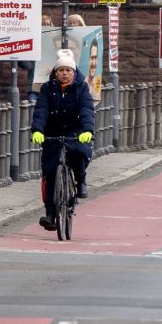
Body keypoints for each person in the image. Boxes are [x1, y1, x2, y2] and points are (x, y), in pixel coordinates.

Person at [30, 48, 95, 230]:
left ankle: (81, 180)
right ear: (56, 72)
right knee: (49, 172)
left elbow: (87, 110)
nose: (64, 73)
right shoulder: (47, 89)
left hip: (75, 132)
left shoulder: (81, 88)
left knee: (79, 153)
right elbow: (41, 111)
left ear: (73, 72)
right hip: (53, 133)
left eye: (68, 70)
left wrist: (87, 130)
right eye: (61, 70)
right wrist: (38, 130)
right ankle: (50, 213)